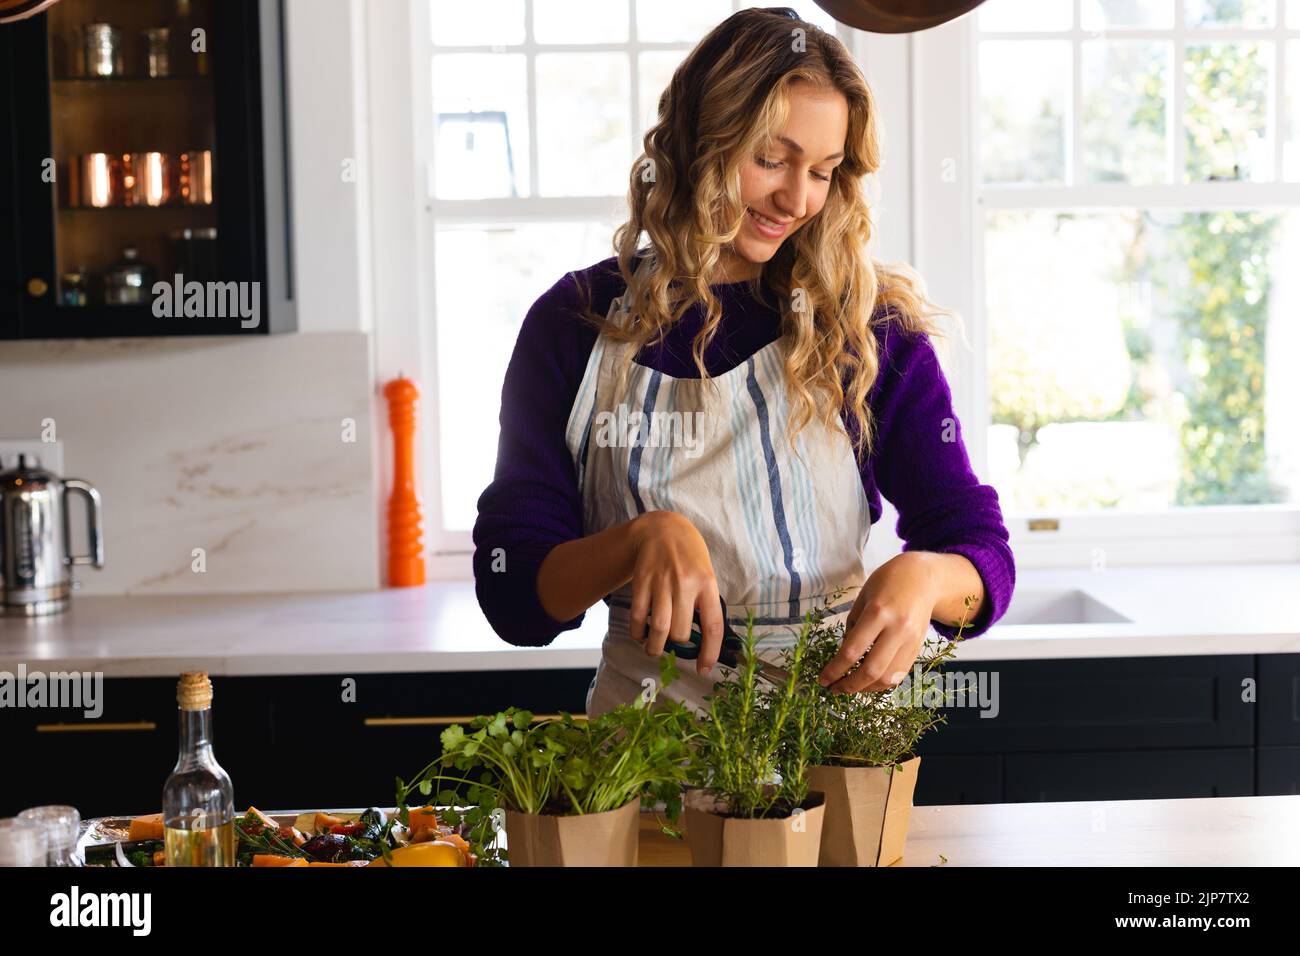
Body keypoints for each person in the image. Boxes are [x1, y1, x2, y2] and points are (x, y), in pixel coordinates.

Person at [473, 7, 1015, 718]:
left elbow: (980, 553)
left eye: (823, 171)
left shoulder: (868, 327)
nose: (797, 199)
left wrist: (925, 577)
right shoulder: (574, 324)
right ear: (704, 141)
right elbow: (514, 594)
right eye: (771, 160)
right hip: (642, 758)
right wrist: (639, 541)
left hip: (831, 751)